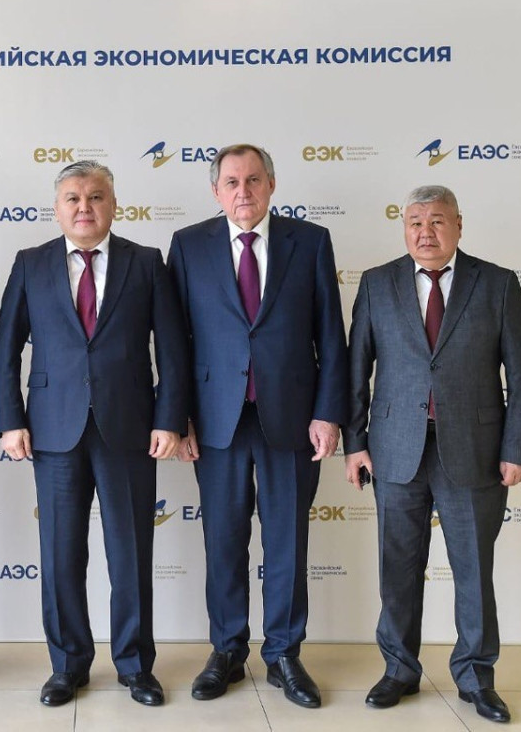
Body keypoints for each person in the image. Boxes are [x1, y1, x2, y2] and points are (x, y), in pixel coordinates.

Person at [0, 161, 188, 708]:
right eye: (73, 198)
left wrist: (169, 419)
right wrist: (9, 419)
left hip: (128, 427)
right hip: (52, 429)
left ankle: (135, 665)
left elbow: (173, 349)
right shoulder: (30, 263)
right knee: (60, 554)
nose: (85, 207)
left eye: (96, 197)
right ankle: (67, 665)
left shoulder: (145, 262)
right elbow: (6, 346)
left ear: (113, 205)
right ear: (57, 209)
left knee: (131, 554)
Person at [343, 185, 521, 724]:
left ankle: (476, 677)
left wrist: (518, 448)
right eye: (415, 222)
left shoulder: (496, 284)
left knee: (473, 569)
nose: (425, 232)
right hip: (394, 451)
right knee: (397, 569)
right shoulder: (378, 283)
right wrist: (355, 444)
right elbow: (356, 370)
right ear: (403, 228)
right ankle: (399, 670)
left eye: (436, 221)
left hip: (475, 451)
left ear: (458, 225)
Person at [166, 143, 349, 707]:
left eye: (252, 180)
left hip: (291, 417)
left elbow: (331, 335)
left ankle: (285, 654)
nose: (242, 191)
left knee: (287, 541)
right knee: (223, 539)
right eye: (231, 182)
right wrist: (178, 417)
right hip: (214, 420)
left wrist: (328, 412)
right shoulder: (188, 245)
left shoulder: (310, 241)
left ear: (271, 184)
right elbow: (174, 341)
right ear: (215, 191)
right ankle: (226, 650)